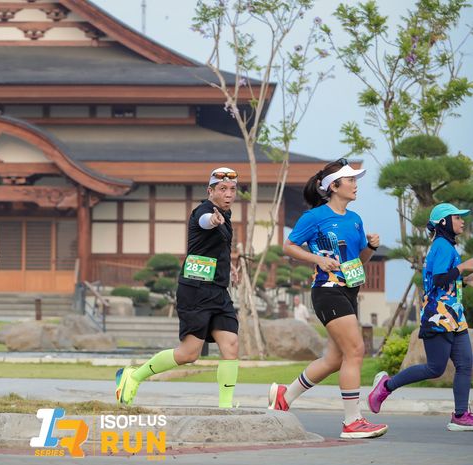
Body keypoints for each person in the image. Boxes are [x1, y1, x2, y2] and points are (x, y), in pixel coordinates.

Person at [268, 158, 388, 439]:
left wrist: (371, 247)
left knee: (335, 358)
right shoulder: (315, 217)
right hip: (327, 290)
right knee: (355, 350)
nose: (355, 185)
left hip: (349, 290)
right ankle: (352, 421)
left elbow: (359, 260)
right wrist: (318, 259)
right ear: (334, 186)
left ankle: (285, 396)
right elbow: (288, 246)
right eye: (350, 180)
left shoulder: (355, 219)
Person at [115, 167, 240, 408]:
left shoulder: (226, 215)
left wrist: (230, 266)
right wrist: (213, 220)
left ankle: (226, 408)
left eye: (232, 189)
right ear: (210, 191)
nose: (228, 194)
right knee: (189, 353)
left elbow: (215, 247)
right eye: (223, 189)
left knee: (231, 345)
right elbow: (205, 222)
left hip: (218, 291)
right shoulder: (204, 212)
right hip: (195, 291)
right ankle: (134, 376)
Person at [368, 203, 473, 430]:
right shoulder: (442, 245)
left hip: (454, 316)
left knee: (465, 364)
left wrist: (464, 279)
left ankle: (460, 415)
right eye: (457, 217)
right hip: (439, 316)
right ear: (444, 222)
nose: (462, 221)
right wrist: (464, 267)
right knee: (435, 368)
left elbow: (446, 281)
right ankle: (386, 386)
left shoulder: (447, 246)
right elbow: (438, 279)